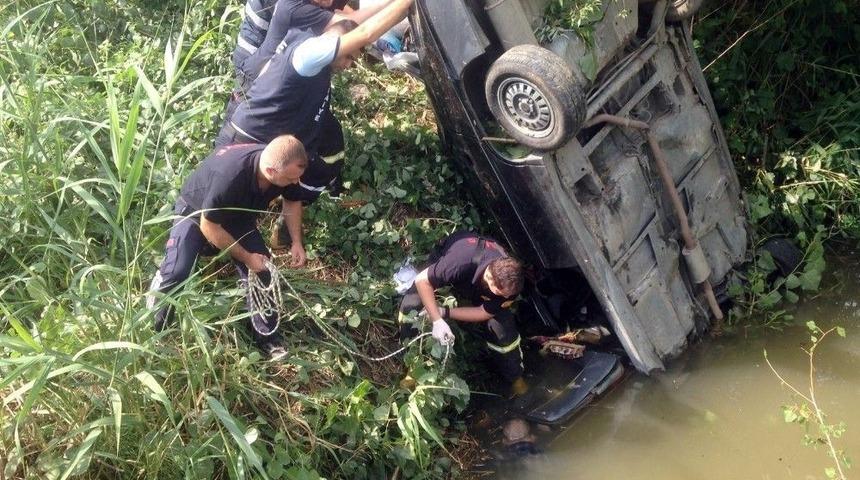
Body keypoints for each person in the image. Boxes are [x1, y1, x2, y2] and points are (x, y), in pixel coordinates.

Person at [215, 0, 413, 255]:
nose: (350, 65)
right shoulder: (309, 53)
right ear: (332, 45)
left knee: (327, 154)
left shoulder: (316, 48)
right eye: (349, 56)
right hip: (249, 135)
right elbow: (364, 31)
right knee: (221, 210)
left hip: (280, 128)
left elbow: (351, 18)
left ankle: (275, 231)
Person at [146, 135, 308, 359]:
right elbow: (209, 226)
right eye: (291, 179)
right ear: (271, 172)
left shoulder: (285, 165)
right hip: (197, 212)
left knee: (262, 270)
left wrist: (296, 241)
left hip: (238, 214)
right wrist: (246, 256)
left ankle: (266, 336)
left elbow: (292, 200)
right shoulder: (230, 176)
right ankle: (156, 332)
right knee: (178, 272)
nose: (294, 183)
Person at [399, 231, 528, 394]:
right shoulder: (459, 262)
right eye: (501, 294)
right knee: (411, 306)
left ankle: (515, 377)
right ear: (489, 278)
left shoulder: (510, 285)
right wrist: (437, 320)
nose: (505, 297)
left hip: (480, 289)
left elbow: (484, 312)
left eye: (507, 296)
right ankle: (411, 365)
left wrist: (445, 312)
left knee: (504, 333)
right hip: (458, 265)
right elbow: (422, 280)